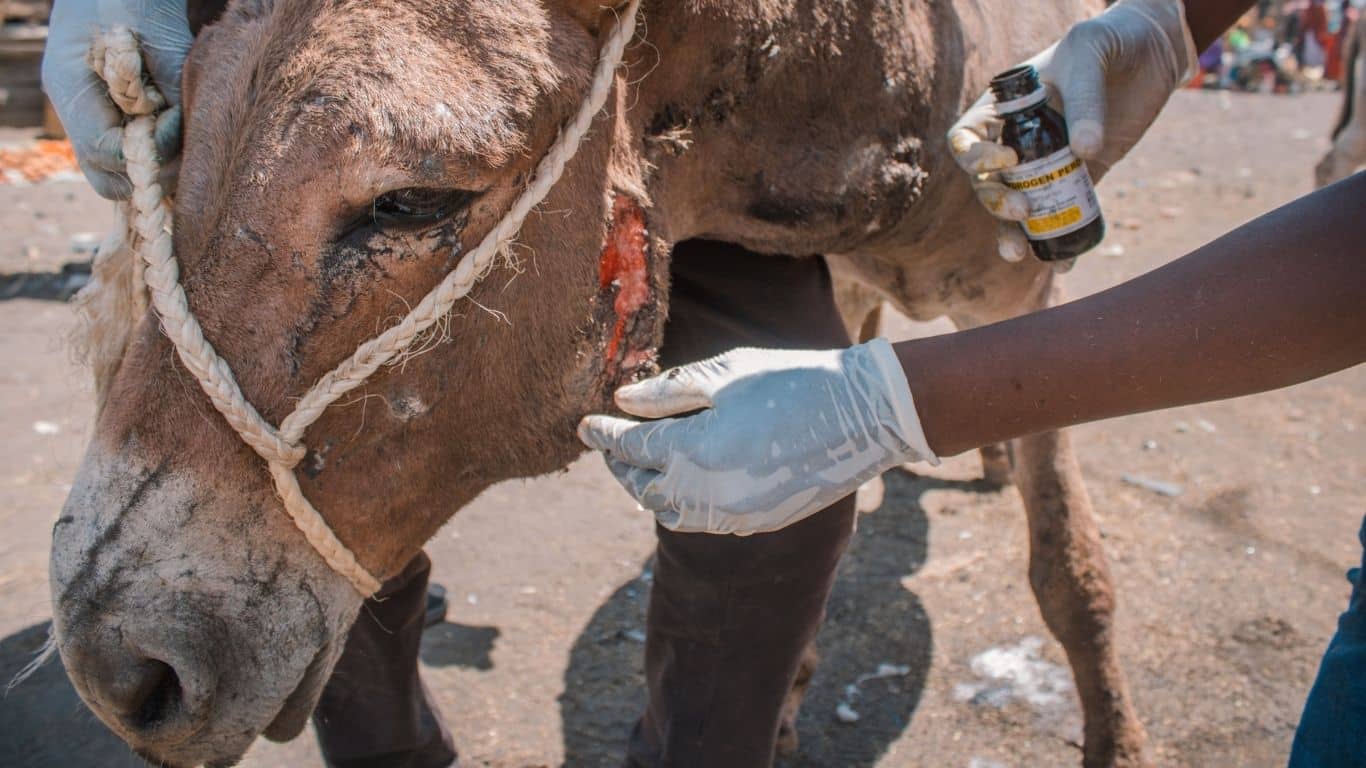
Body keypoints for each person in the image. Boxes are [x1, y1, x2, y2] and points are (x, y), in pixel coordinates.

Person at [578, 1, 1366, 766]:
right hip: (838, 204)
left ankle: (1103, 698)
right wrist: (1176, 21)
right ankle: (783, 666)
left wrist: (891, 404)